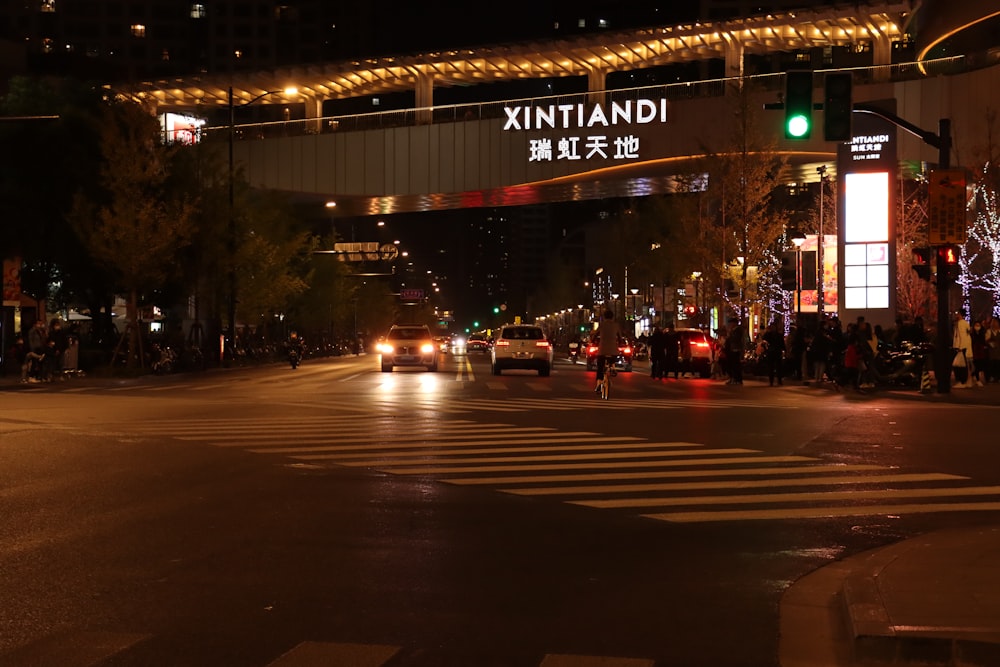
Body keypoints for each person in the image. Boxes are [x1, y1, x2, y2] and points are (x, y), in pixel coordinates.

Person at [594, 309, 621, 392]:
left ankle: (598, 384)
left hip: (602, 349)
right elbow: (620, 336)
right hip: (613, 349)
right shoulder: (616, 325)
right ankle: (613, 367)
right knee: (614, 357)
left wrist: (593, 340)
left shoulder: (602, 325)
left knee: (600, 368)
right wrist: (619, 342)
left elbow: (595, 335)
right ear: (612, 317)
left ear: (604, 317)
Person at [952, 308, 973, 388]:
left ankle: (962, 381)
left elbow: (961, 336)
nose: (956, 315)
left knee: (960, 365)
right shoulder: (965, 323)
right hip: (964, 347)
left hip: (961, 347)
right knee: (964, 365)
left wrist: (960, 346)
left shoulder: (960, 323)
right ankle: (966, 381)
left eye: (957, 313)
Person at [762, 321, 785, 386]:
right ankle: (771, 381)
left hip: (777, 352)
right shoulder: (768, 335)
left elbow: (782, 344)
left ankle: (779, 380)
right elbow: (764, 342)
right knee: (771, 367)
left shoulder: (779, 335)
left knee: (779, 367)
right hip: (771, 352)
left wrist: (784, 350)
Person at [724, 319, 745, 385]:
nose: (730, 325)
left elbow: (736, 339)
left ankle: (738, 379)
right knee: (731, 365)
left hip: (735, 349)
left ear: (734, 323)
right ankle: (732, 378)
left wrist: (730, 334)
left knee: (736, 365)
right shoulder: (733, 330)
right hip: (731, 349)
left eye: (731, 323)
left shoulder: (738, 330)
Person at [970, 318, 988, 387]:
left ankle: (973, 375)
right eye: (976, 325)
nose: (977, 327)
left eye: (978, 325)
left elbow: (983, 342)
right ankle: (977, 380)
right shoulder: (972, 335)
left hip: (981, 352)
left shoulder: (982, 334)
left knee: (980, 366)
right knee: (976, 366)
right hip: (974, 351)